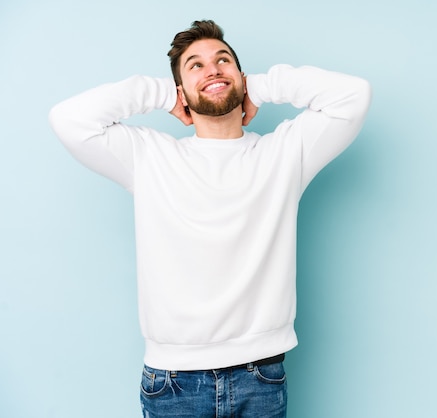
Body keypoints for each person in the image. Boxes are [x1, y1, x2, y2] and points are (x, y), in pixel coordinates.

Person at [49, 19, 371, 417]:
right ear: (181, 90)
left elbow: (353, 96)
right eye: (195, 65)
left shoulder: (285, 153)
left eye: (223, 60)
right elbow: (69, 119)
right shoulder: (149, 157)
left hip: (261, 376)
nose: (213, 69)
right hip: (173, 381)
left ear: (240, 77)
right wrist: (161, 93)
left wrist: (263, 85)